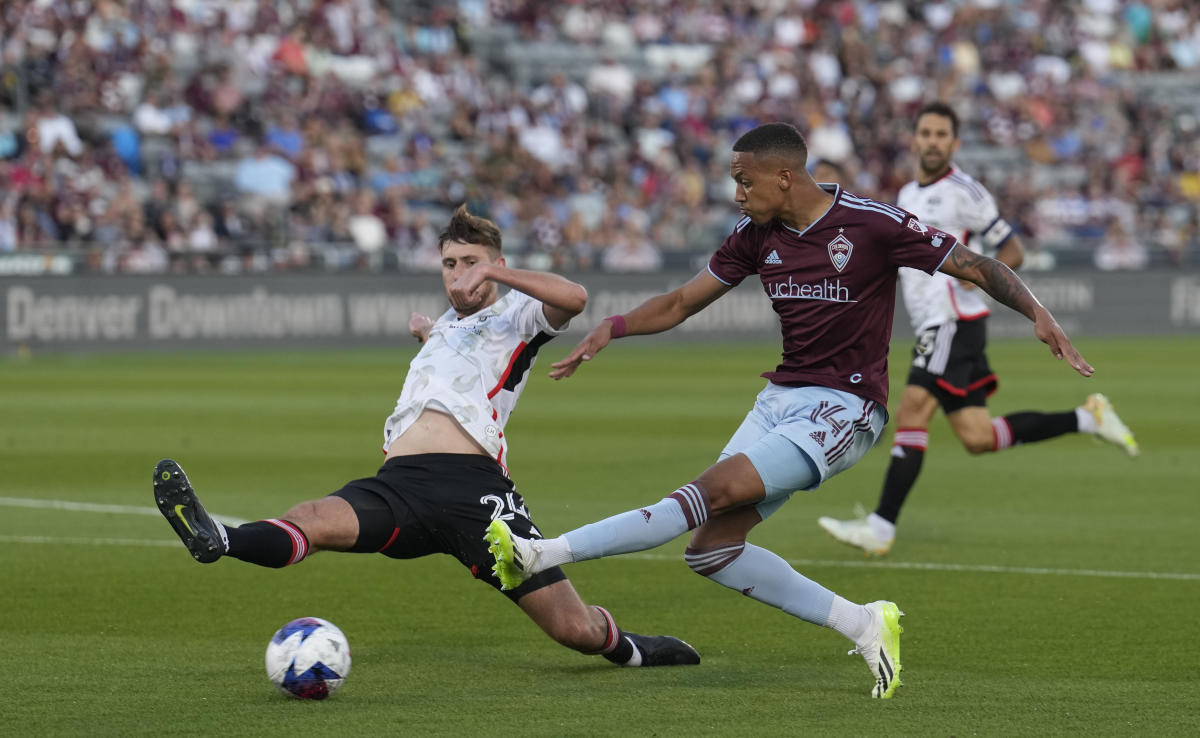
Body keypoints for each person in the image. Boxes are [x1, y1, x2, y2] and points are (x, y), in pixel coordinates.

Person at [484, 122, 1096, 699]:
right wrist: (612, 328)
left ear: (784, 177)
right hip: (779, 400)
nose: (736, 193)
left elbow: (975, 263)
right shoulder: (756, 237)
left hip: (846, 408)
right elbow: (679, 302)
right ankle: (863, 624)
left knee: (708, 491)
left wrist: (1037, 312)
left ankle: (543, 553)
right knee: (711, 551)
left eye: (743, 180)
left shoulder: (871, 224)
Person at [153, 205, 699, 669]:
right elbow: (451, 371)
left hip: (474, 490)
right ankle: (220, 540)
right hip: (401, 485)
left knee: (572, 630)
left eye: (470, 263)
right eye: (449, 264)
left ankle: (628, 649)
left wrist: (495, 279)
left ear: (498, 266)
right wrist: (429, 334)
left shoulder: (519, 315)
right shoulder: (443, 328)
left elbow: (576, 297)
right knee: (312, 518)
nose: (458, 274)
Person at [817, 102, 1139, 557]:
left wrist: (975, 284)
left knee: (911, 411)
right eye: (925, 133)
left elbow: (1013, 250)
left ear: (954, 143)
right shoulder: (907, 194)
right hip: (937, 321)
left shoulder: (965, 192)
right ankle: (1089, 417)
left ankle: (881, 527)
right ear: (914, 140)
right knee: (977, 437)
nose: (932, 141)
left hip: (952, 320)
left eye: (940, 134)